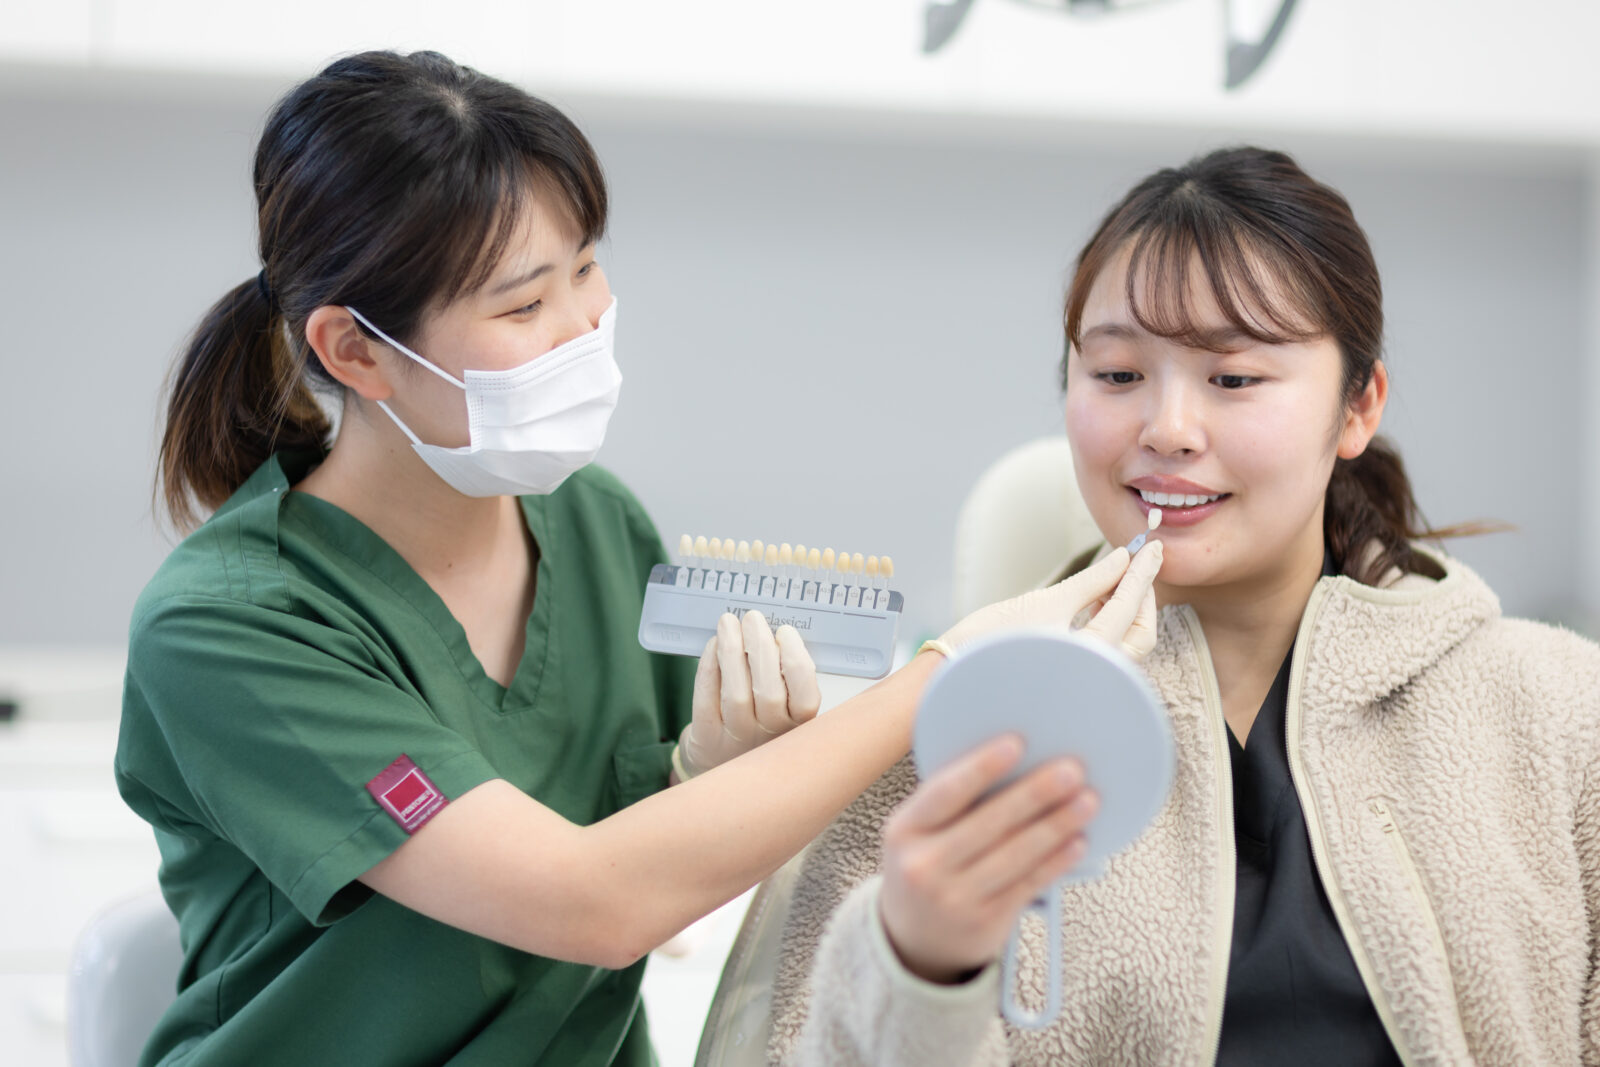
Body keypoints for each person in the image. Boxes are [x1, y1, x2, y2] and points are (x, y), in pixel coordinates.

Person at [114, 50, 1163, 1067]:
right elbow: (597, 902)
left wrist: (698, 768)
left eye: (585, 269)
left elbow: (665, 906)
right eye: (524, 305)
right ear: (356, 351)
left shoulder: (593, 524)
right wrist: (952, 668)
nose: (583, 325)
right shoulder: (231, 623)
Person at [761, 146, 1600, 1066]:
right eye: (1118, 375)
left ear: (1358, 405)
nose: (1166, 429)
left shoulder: (1560, 712)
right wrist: (919, 973)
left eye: (1233, 379)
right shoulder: (947, 736)